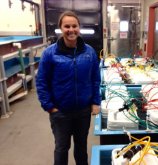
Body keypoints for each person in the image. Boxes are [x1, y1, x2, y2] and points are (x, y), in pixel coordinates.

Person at [36, 11, 101, 165]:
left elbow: (95, 79)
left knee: (81, 146)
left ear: (79, 27)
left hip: (83, 111)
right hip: (61, 112)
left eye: (74, 26)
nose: (71, 30)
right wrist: (49, 107)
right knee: (62, 148)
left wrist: (95, 102)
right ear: (60, 28)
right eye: (67, 26)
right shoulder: (50, 54)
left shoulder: (89, 52)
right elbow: (41, 82)